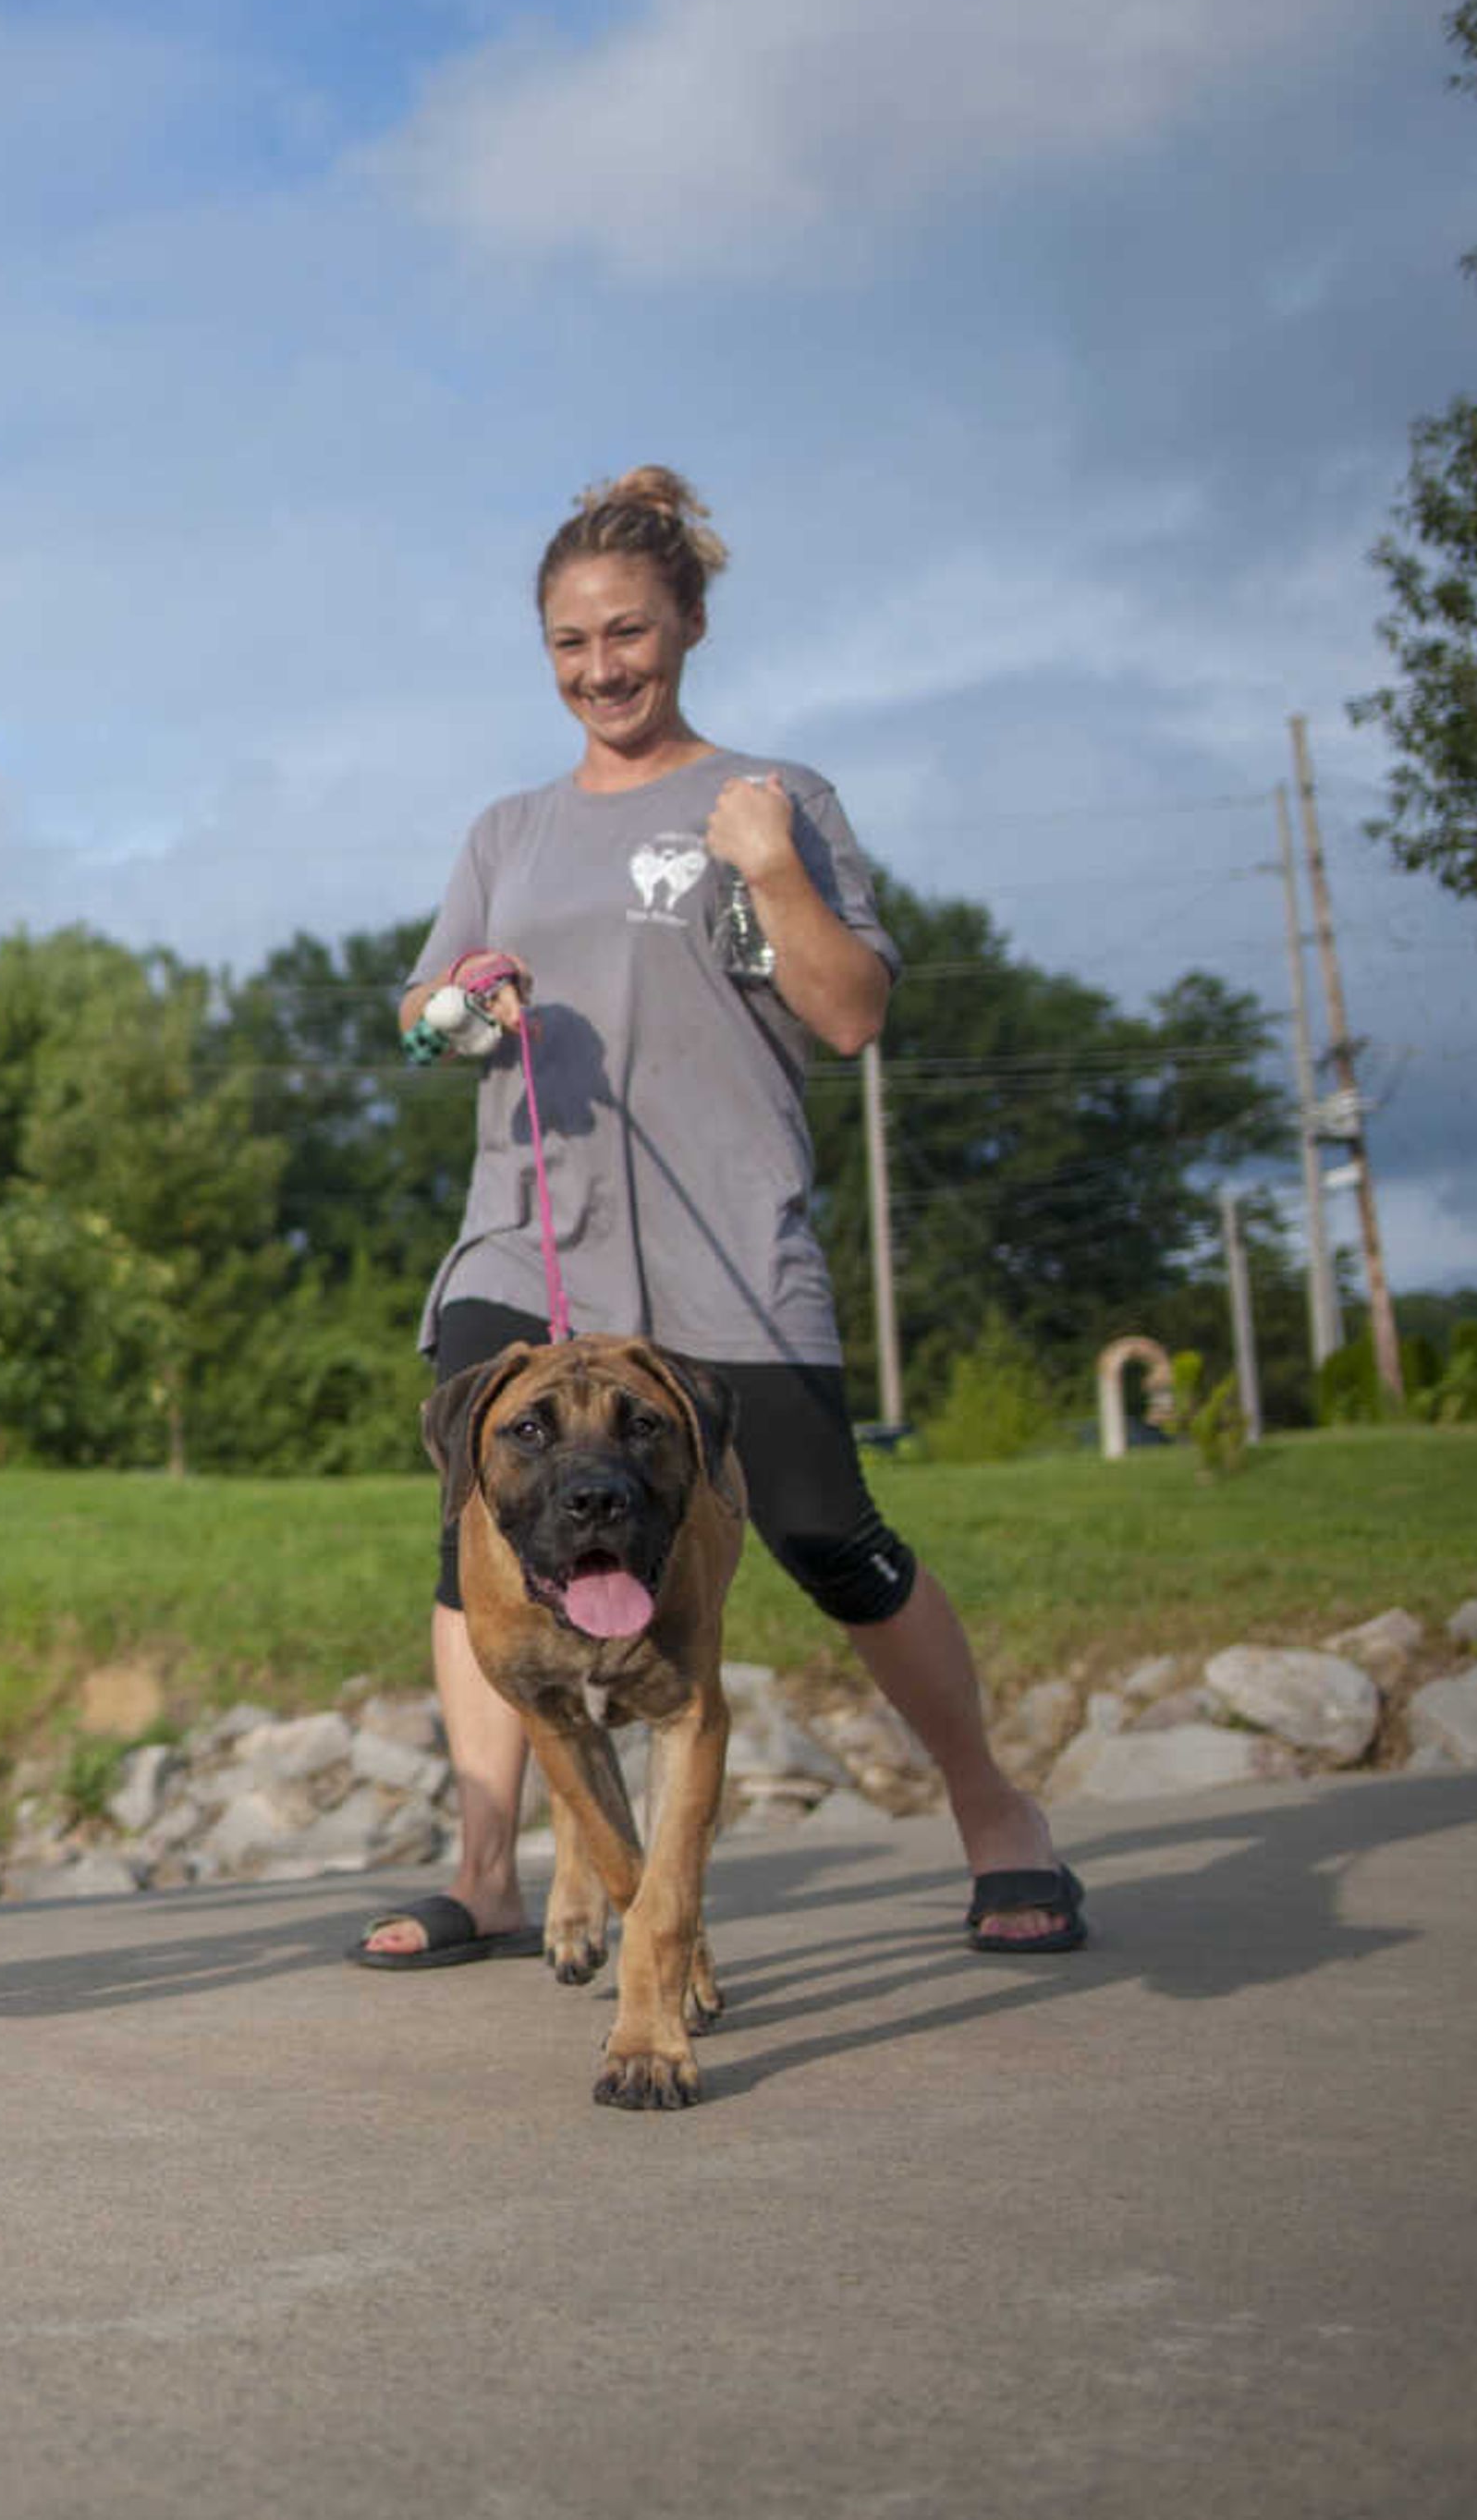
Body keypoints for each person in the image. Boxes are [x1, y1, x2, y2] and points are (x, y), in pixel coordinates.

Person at [351, 467, 1087, 1974]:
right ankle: (491, 1868)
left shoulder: (780, 800)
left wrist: (764, 866)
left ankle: (996, 1813)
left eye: (628, 632)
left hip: (726, 1248)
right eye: (569, 644)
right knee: (475, 1534)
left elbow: (851, 1010)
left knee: (823, 1530)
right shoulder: (509, 829)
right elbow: (422, 1017)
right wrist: (453, 1009)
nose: (600, 669)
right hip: (531, 1236)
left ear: (687, 621)